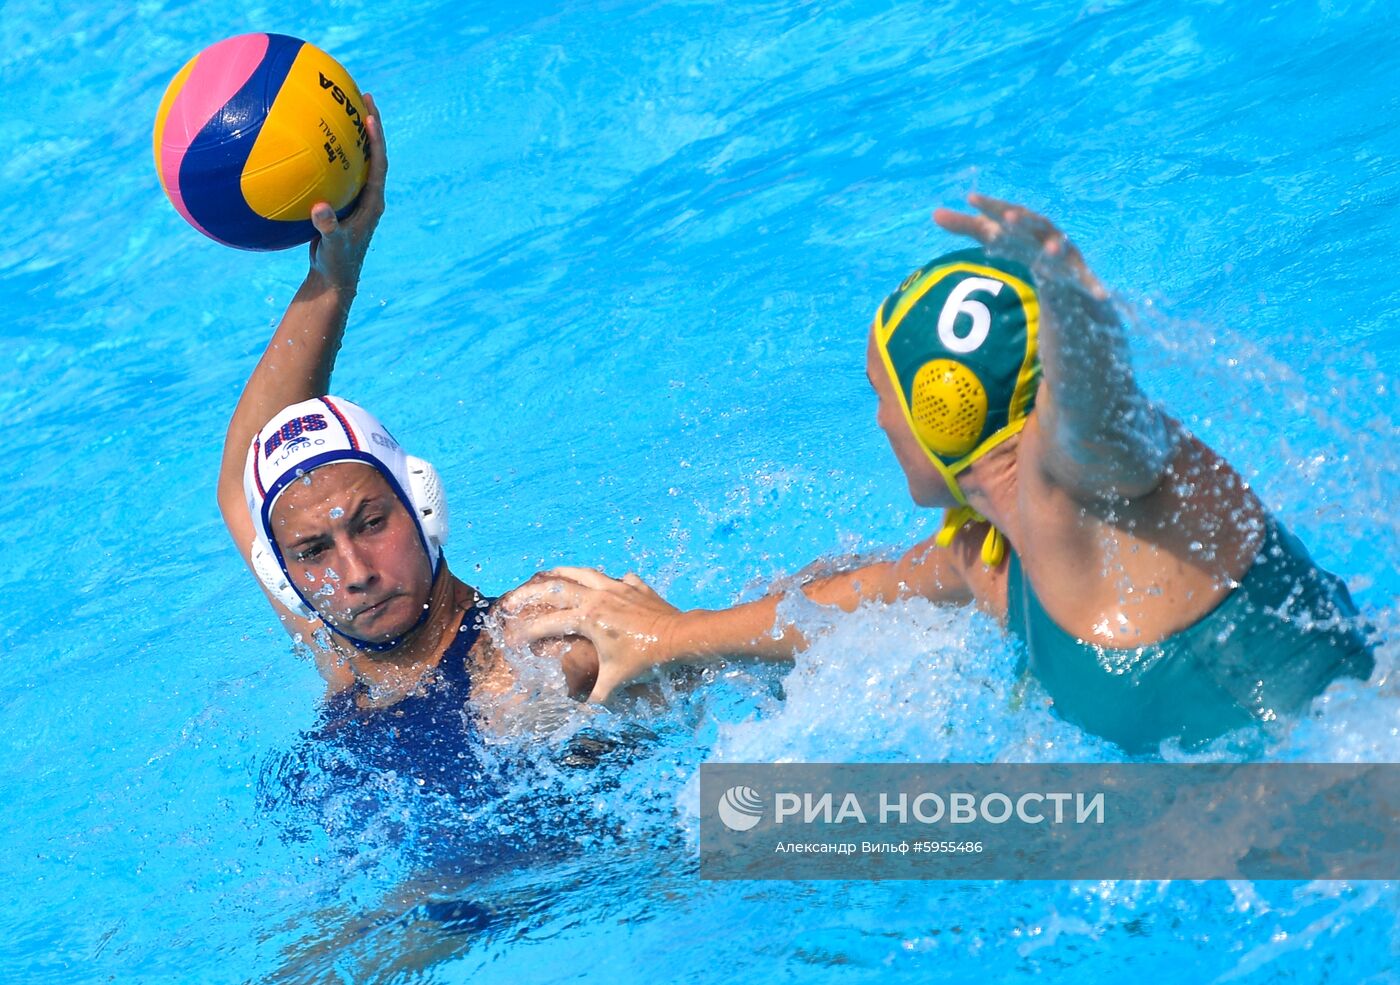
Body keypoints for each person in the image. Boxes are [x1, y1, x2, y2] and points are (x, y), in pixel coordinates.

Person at [505, 195, 1375, 754]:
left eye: (884, 394)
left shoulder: (1083, 487)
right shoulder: (987, 553)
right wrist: (672, 636)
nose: (880, 420)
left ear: (942, 405)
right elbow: (857, 595)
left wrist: (1072, 300)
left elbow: (1099, 418)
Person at [216, 93, 596, 731]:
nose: (356, 573)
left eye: (370, 523)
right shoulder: (344, 668)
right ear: (286, 580)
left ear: (422, 505)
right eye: (312, 551)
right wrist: (334, 272)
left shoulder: (532, 642)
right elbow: (244, 471)